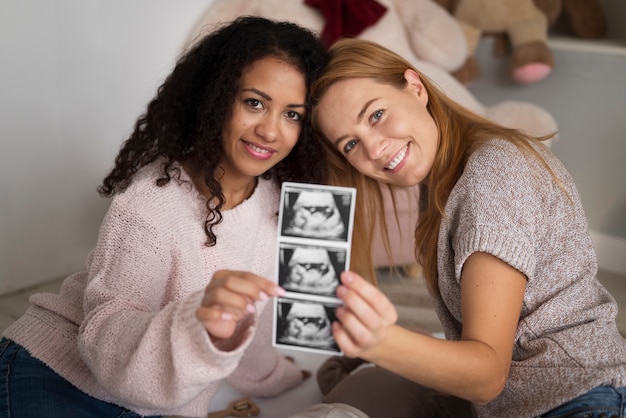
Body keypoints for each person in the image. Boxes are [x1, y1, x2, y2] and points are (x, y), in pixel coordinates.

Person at [0, 16, 328, 418]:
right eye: (254, 103)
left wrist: (274, 377)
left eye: (292, 114)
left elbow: (249, 318)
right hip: (56, 373)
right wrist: (198, 319)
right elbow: (105, 334)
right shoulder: (149, 203)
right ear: (216, 97)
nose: (270, 131)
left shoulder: (276, 203)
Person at [309, 38, 626, 418]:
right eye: (350, 144)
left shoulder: (490, 176)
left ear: (415, 86)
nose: (374, 150)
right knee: (364, 387)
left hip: (576, 399)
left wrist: (377, 340)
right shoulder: (446, 180)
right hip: (521, 399)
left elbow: (486, 374)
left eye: (376, 115)